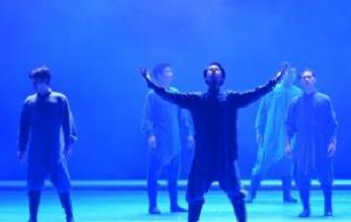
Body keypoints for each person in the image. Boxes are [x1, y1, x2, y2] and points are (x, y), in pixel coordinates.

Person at [139, 63, 287, 222]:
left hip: (226, 159)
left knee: (237, 196)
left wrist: (275, 81)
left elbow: (255, 93)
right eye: (211, 69)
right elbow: (170, 96)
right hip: (203, 159)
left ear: (222, 78)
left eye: (217, 69)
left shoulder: (231, 99)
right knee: (195, 198)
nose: (214, 70)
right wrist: (150, 82)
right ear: (206, 78)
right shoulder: (196, 100)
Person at [18, 66, 78, 222]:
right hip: (36, 153)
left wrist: (70, 143)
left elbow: (68, 123)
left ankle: (69, 215)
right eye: (33, 82)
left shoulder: (60, 100)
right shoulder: (29, 102)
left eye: (36, 81)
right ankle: (33, 217)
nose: (34, 84)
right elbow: (24, 127)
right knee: (34, 185)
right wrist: (21, 148)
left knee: (63, 185)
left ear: (45, 80)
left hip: (55, 152)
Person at [142, 63, 195, 214]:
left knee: (173, 176)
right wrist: (150, 135)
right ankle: (153, 205)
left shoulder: (175, 93)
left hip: (174, 141)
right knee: (153, 175)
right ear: (159, 75)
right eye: (167, 72)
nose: (171, 74)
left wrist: (189, 134)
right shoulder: (152, 95)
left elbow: (183, 117)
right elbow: (147, 117)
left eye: (171, 71)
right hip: (159, 141)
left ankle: (174, 204)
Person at [285, 69, 338, 218]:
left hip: (321, 143)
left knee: (326, 176)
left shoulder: (324, 100)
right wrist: (287, 144)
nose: (307, 80)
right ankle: (306, 208)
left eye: (309, 77)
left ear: (314, 79)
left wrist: (333, 142)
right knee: (301, 176)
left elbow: (332, 123)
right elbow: (289, 125)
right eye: (304, 78)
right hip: (303, 145)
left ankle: (328, 207)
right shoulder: (295, 103)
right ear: (301, 82)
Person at [247, 63, 301, 204]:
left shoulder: (298, 94)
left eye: (293, 73)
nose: (291, 75)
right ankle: (251, 194)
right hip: (270, 135)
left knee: (287, 165)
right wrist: (259, 130)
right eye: (288, 73)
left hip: (288, 137)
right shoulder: (272, 91)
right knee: (261, 164)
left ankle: (287, 195)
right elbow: (262, 112)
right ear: (282, 74)